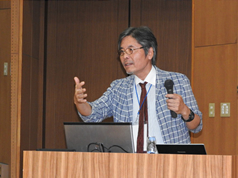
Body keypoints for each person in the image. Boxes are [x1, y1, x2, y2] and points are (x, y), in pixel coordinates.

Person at [73, 26, 202, 153]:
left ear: (150, 52)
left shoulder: (177, 81)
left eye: (131, 50)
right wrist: (80, 103)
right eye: (122, 52)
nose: (125, 56)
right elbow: (93, 114)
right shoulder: (119, 88)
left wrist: (184, 110)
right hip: (130, 164)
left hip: (169, 163)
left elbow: (196, 126)